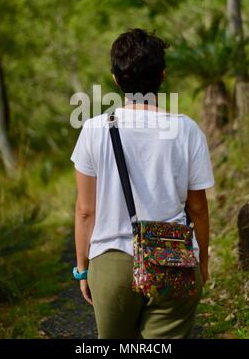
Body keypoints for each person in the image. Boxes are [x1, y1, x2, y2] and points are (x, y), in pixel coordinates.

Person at [70, 28, 214, 339]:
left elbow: (85, 211)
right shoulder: (186, 130)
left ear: (116, 79)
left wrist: (83, 270)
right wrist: (202, 261)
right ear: (162, 76)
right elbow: (198, 209)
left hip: (111, 263)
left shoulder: (94, 130)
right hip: (174, 258)